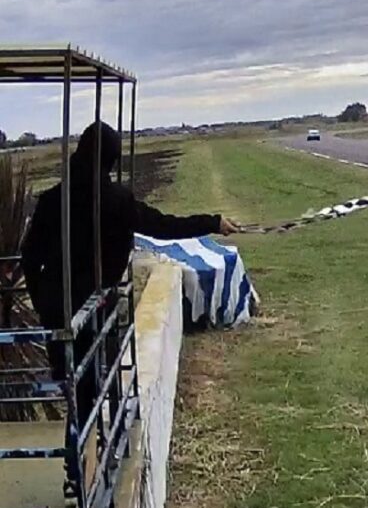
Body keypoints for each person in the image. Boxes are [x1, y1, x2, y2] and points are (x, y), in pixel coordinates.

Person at [22, 121, 238, 443]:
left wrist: (43, 304)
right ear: (111, 159)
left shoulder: (53, 200)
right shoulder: (117, 201)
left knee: (73, 388)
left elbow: (29, 256)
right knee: (92, 390)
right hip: (95, 309)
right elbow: (164, 226)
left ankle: (81, 457)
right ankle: (86, 463)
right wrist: (213, 222)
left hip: (59, 309)